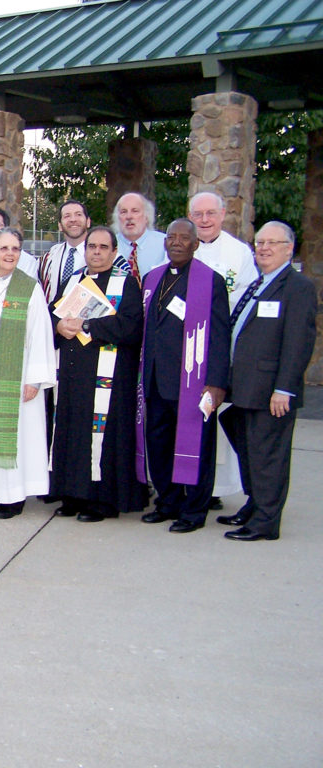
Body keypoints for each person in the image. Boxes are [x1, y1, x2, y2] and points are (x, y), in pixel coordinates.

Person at [218, 221, 317, 541]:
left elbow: (298, 342)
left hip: (271, 391)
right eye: (259, 242)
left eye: (272, 243)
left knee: (268, 456)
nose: (264, 248)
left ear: (289, 248)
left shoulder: (297, 287)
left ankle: (265, 522)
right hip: (245, 387)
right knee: (248, 448)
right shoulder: (259, 283)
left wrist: (284, 389)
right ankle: (255, 503)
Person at [136, 218, 230, 533]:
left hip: (192, 380)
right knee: (159, 444)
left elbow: (219, 334)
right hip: (154, 380)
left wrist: (216, 383)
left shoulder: (210, 281)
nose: (176, 242)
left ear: (195, 244)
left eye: (184, 238)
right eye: (172, 237)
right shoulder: (152, 278)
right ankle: (168, 501)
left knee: (197, 446)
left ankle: (194, 509)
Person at [48, 226, 146, 521]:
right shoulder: (73, 280)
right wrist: (58, 326)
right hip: (72, 374)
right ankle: (72, 495)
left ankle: (101, 501)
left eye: (104, 247)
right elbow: (54, 313)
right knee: (70, 431)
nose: (97, 252)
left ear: (114, 252)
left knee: (102, 438)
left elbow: (132, 326)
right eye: (92, 246)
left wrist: (88, 326)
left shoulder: (126, 284)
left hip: (108, 379)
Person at [0, 228, 56, 518]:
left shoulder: (29, 288)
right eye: (4, 248)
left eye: (15, 249)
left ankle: (11, 496)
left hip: (15, 372)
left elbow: (41, 334)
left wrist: (34, 378)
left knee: (11, 435)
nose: (10, 254)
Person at [189, 191, 257, 507]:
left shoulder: (239, 253)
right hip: (186, 350)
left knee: (216, 416)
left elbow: (246, 302)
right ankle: (188, 480)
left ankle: (215, 488)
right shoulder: (181, 247)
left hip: (222, 347)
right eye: (198, 215)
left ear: (222, 214)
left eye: (210, 214)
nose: (204, 220)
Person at [38, 200, 91, 302]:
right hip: (53, 316)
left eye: (78, 214)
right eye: (67, 216)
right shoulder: (48, 259)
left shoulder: (106, 257)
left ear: (88, 222)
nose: (73, 219)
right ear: (60, 226)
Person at [113, 192, 166, 278]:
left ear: (146, 216)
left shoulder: (164, 244)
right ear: (117, 218)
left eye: (135, 211)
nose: (129, 216)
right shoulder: (108, 246)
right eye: (123, 212)